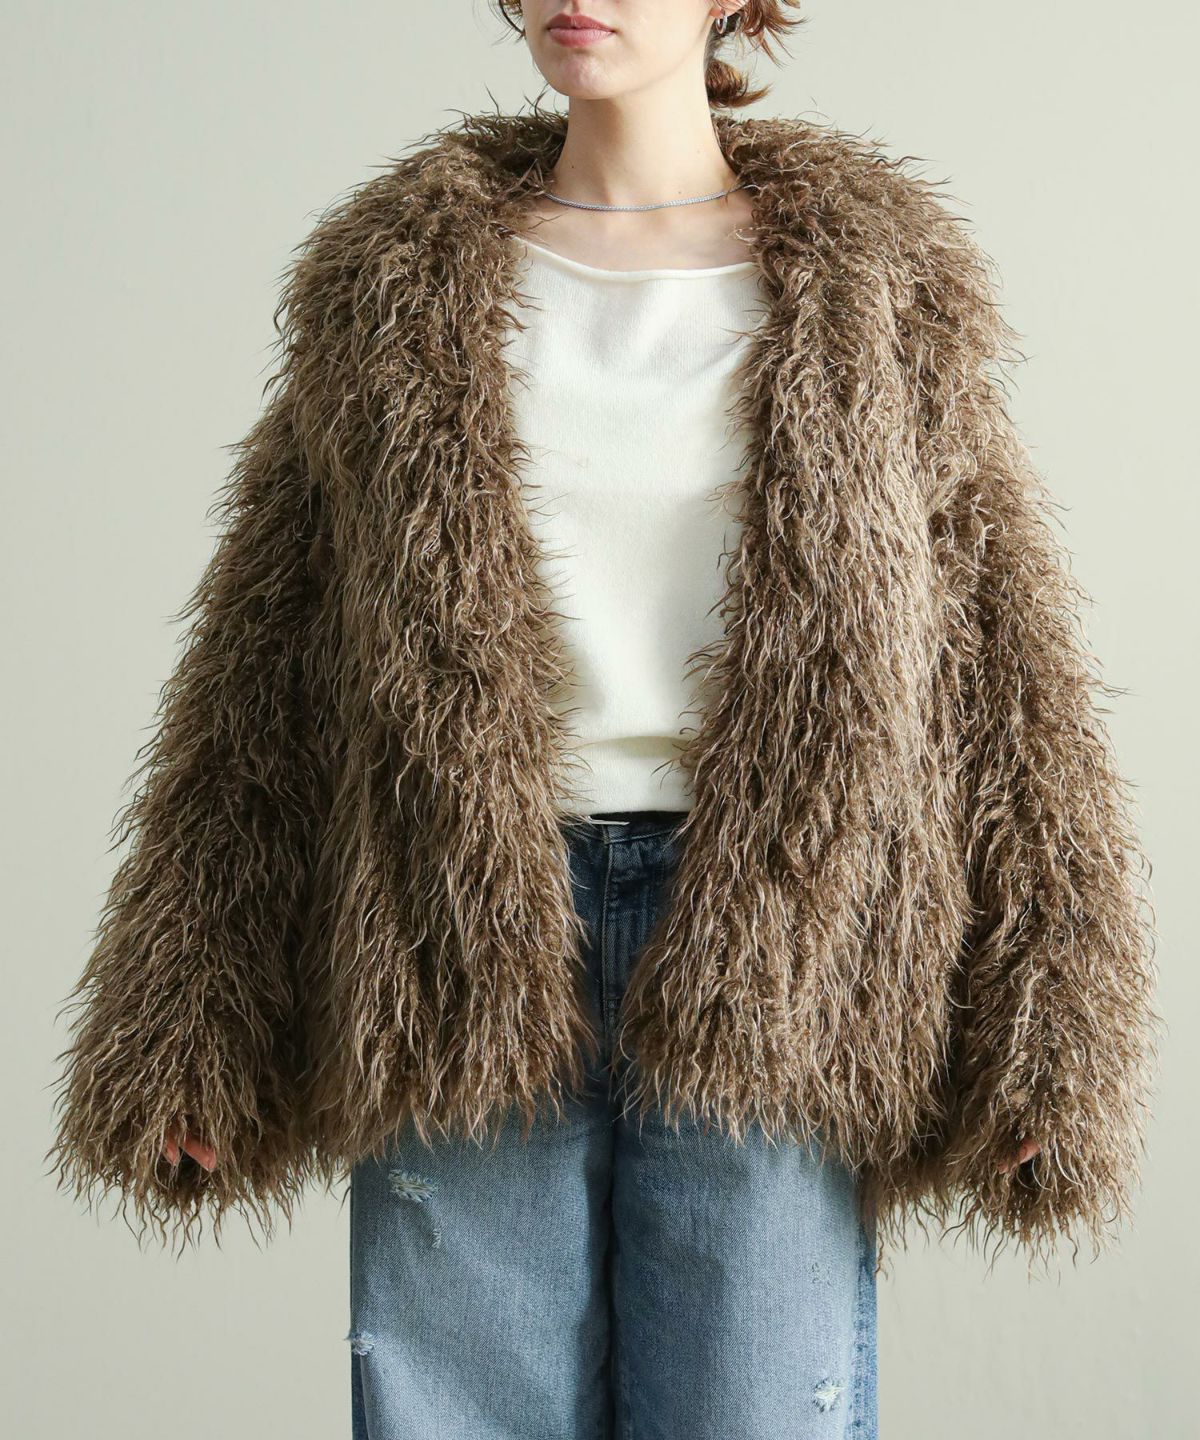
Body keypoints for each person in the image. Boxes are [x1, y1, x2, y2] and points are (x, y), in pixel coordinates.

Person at [47, 4, 1160, 1438]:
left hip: (778, 940)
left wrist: (1047, 1039)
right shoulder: (394, 285)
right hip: (458, 937)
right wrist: (190, 1018)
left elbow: (1003, 666)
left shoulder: (878, 288)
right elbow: (263, 661)